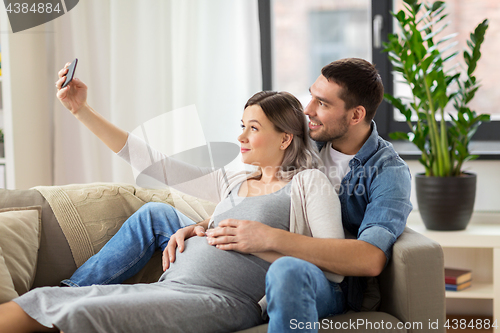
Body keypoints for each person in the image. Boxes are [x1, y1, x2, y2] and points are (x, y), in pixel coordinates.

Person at [0, 73, 345, 332]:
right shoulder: (234, 180)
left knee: (81, 314)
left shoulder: (308, 184)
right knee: (50, 299)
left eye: (253, 128)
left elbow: (332, 267)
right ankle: (64, 288)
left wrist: (264, 243)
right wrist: (81, 111)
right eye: (241, 125)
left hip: (222, 298)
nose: (240, 136)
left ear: (285, 137)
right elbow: (152, 162)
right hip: (176, 282)